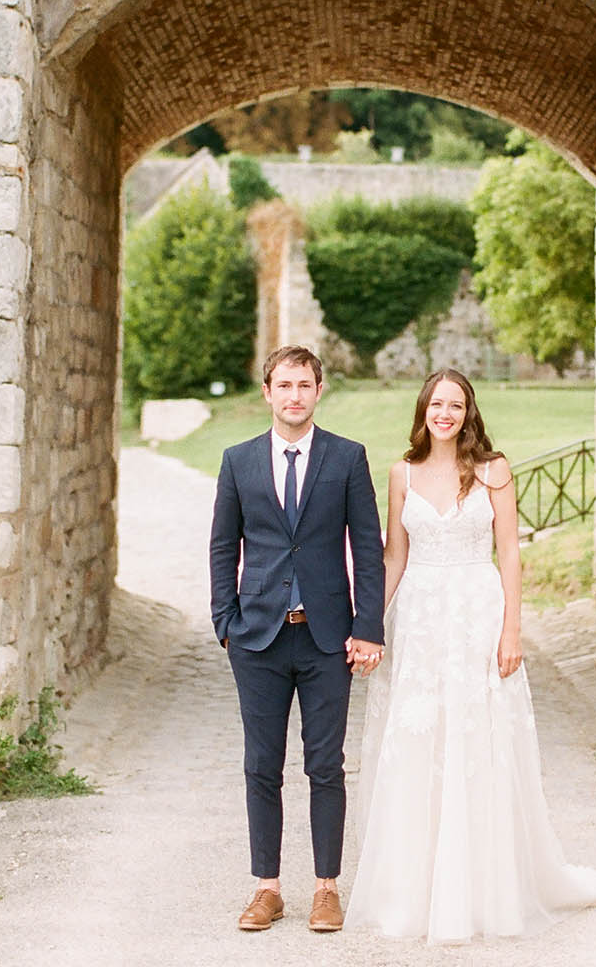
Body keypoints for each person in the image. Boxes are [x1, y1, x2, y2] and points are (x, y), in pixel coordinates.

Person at [344, 369, 596, 943]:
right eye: (436, 404)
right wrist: (369, 624)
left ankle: (482, 889)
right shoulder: (401, 473)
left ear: (468, 411)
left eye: (455, 404)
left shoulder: (493, 470)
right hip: (421, 621)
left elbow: (509, 554)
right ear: (423, 410)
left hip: (477, 612)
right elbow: (393, 557)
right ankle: (414, 890)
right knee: (418, 742)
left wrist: (511, 632)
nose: (445, 413)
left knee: (478, 742)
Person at [210, 345, 385, 933]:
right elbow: (221, 547)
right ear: (267, 392)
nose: (294, 395)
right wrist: (224, 622)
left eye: (304, 385)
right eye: (283, 385)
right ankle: (266, 888)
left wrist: (368, 627)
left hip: (325, 639)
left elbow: (367, 547)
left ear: (319, 390)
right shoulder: (238, 461)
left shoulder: (347, 458)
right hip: (256, 638)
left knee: (325, 765)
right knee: (261, 764)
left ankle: (326, 888)